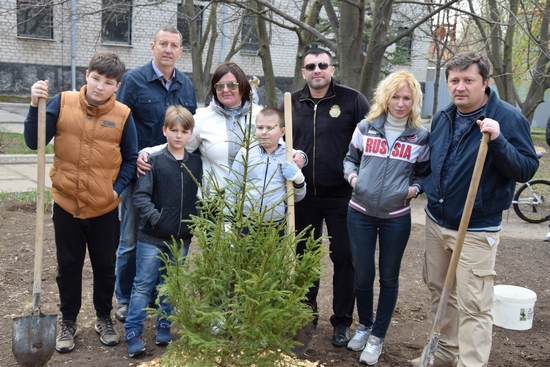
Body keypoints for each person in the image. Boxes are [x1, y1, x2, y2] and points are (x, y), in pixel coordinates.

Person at [410, 52, 539, 367]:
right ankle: (444, 352)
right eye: (454, 80)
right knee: (440, 292)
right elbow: (431, 164)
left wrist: (497, 140)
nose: (460, 87)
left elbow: (525, 169)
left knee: (475, 304)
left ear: (485, 82)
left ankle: (470, 364)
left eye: (468, 80)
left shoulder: (508, 118)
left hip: (476, 229)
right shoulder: (444, 116)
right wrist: (420, 185)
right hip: (437, 222)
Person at [23, 51, 138, 353]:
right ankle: (68, 322)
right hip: (66, 204)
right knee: (69, 266)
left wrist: (116, 190)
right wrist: (35, 106)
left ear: (117, 86)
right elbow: (34, 142)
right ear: (87, 75)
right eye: (96, 78)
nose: (100, 86)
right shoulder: (62, 102)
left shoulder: (123, 115)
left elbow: (129, 159)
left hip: (104, 208)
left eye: (108, 82)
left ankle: (103, 317)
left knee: (105, 265)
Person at [280, 48, 370, 347]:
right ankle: (306, 316)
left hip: (343, 196)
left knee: (346, 257)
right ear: (303, 71)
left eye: (322, 65)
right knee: (304, 258)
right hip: (303, 195)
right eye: (310, 66)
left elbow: (370, 142)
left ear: (332, 69)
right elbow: (278, 143)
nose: (316, 70)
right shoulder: (291, 103)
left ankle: (342, 321)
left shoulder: (352, 100)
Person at [343, 71, 429, 365]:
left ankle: (378, 336)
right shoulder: (366, 128)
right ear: (386, 97)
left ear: (414, 100)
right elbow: (349, 159)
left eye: (407, 98)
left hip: (396, 216)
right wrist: (355, 180)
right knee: (364, 275)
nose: (401, 103)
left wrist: (412, 190)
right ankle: (364, 326)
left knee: (389, 278)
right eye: (396, 96)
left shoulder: (420, 136)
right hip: (360, 213)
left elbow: (424, 173)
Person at [114, 25, 197, 322]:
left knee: (162, 237)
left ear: (180, 51)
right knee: (131, 241)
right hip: (140, 174)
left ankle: (152, 295)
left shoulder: (186, 85)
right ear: (152, 46)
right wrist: (133, 156)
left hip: (170, 178)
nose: (168, 50)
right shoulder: (134, 81)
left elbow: (187, 127)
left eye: (174, 45)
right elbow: (119, 122)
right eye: (163, 43)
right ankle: (124, 298)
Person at [124, 106, 202, 357]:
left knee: (169, 284)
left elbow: (199, 197)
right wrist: (157, 219)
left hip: (181, 239)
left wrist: (194, 219)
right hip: (152, 237)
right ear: (165, 130)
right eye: (174, 130)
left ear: (190, 134)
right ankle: (133, 330)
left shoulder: (196, 163)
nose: (179, 136)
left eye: (184, 131)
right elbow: (141, 196)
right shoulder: (154, 161)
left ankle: (164, 324)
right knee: (143, 285)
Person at [227, 107, 306, 224]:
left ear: (282, 131)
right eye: (260, 127)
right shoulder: (246, 152)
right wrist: (227, 219)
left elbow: (298, 197)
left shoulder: (289, 155)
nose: (264, 132)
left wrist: (299, 180)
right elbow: (233, 186)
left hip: (276, 224)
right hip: (246, 222)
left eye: (270, 128)